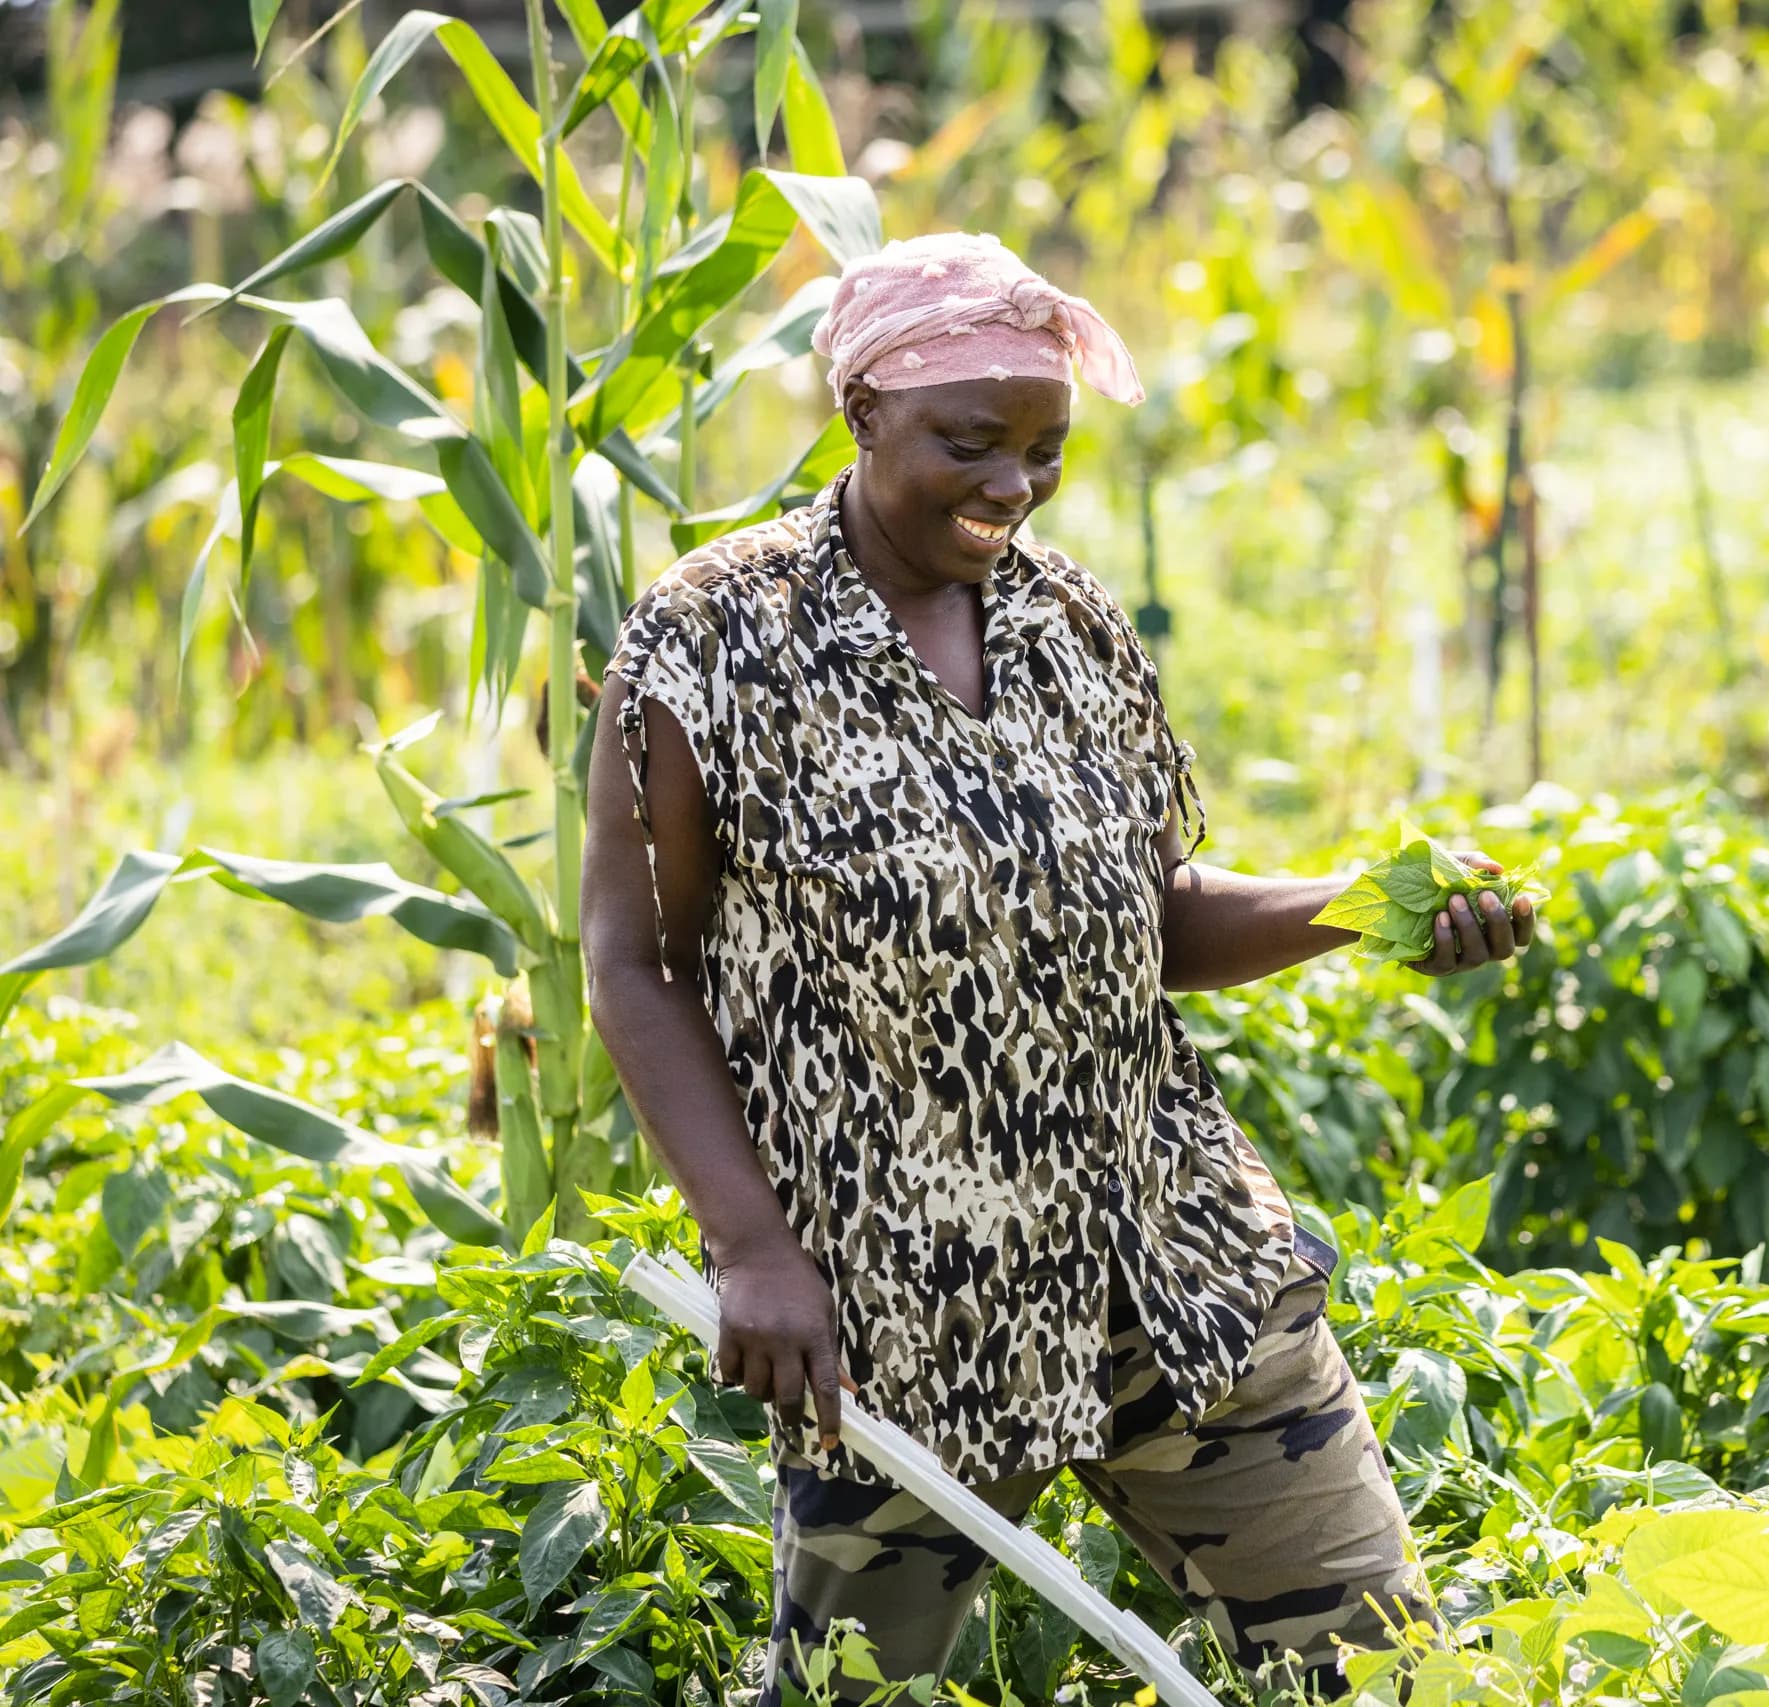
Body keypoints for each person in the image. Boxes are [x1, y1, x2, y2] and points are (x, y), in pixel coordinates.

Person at [581, 230, 1539, 1703]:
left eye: (1046, 451)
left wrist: (1361, 907)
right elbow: (636, 958)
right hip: (901, 1313)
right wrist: (753, 1249)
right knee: (858, 1698)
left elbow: (1152, 910)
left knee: (1387, 1673)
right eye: (971, 444)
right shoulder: (712, 641)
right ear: (863, 413)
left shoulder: (1071, 620)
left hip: (1170, 1272)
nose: (1011, 488)